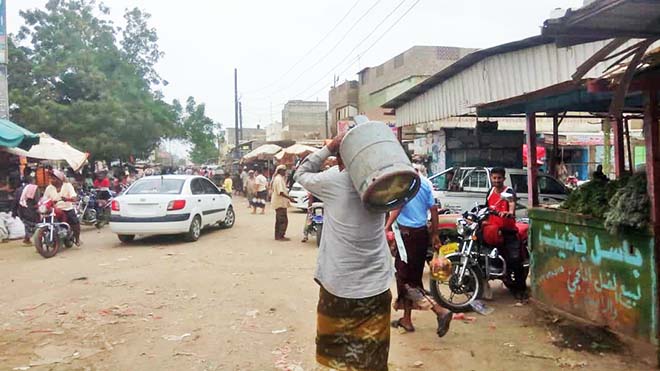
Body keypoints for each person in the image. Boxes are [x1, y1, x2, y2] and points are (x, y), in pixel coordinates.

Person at [295, 133, 393, 371]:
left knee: (337, 354)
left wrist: (328, 148)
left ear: (340, 158)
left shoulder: (333, 180)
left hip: (338, 286)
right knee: (373, 354)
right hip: (376, 286)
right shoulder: (383, 181)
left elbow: (300, 173)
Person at [385, 167, 454, 336]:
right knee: (412, 279)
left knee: (404, 280)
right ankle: (406, 320)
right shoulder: (425, 183)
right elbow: (433, 209)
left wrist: (385, 227)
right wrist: (435, 234)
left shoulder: (404, 184)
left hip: (407, 236)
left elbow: (398, 206)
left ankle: (440, 311)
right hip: (421, 234)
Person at [484, 167, 526, 300]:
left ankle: (520, 289)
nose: (496, 181)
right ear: (491, 178)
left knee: (514, 260)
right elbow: (486, 208)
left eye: (499, 178)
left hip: (508, 231)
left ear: (504, 178)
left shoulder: (508, 192)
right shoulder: (490, 191)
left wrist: (510, 213)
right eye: (494, 178)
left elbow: (512, 203)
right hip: (492, 230)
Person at [44, 170, 81, 246]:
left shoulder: (67, 186)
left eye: (54, 178)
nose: (51, 180)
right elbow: (45, 199)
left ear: (59, 179)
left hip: (67, 208)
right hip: (54, 210)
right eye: (51, 178)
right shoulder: (49, 188)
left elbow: (74, 196)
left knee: (75, 222)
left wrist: (70, 199)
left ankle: (77, 239)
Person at [271, 165, 295, 241]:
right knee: (283, 220)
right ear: (280, 171)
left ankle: (277, 235)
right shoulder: (278, 179)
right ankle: (280, 236)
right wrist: (290, 198)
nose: (285, 172)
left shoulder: (279, 179)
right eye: (284, 171)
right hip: (280, 203)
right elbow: (280, 192)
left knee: (279, 220)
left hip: (280, 203)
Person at [16, 176, 40, 245]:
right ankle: (35, 239)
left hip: (21, 209)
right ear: (32, 181)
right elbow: (37, 200)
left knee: (26, 224)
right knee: (35, 224)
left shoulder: (19, 189)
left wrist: (15, 211)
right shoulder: (34, 188)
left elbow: (16, 201)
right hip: (31, 209)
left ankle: (27, 238)